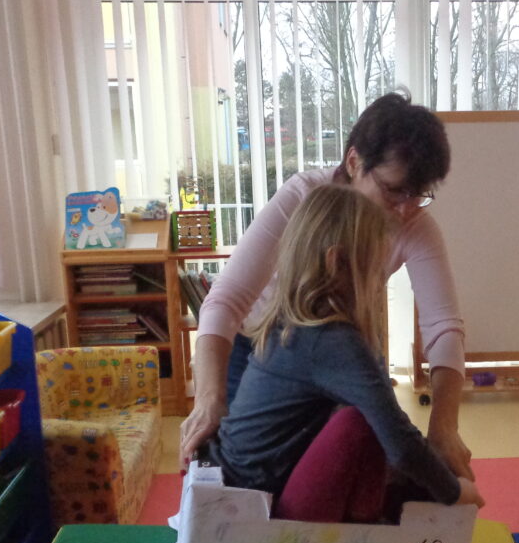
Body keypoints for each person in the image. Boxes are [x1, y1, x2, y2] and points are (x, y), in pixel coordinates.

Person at [180, 91, 473, 480]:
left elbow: (443, 326)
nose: (404, 209)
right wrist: (208, 399)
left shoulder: (414, 224)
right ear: (354, 162)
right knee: (256, 476)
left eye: (417, 196)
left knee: (360, 462)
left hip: (340, 340)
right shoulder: (304, 195)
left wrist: (444, 426)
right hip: (262, 347)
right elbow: (226, 301)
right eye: (393, 190)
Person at [202, 183, 484, 523]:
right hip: (258, 508)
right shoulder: (331, 341)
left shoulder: (291, 321)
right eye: (375, 270)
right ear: (337, 263)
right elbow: (400, 441)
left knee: (396, 454)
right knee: (361, 423)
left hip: (240, 482)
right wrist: (455, 492)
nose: (377, 284)